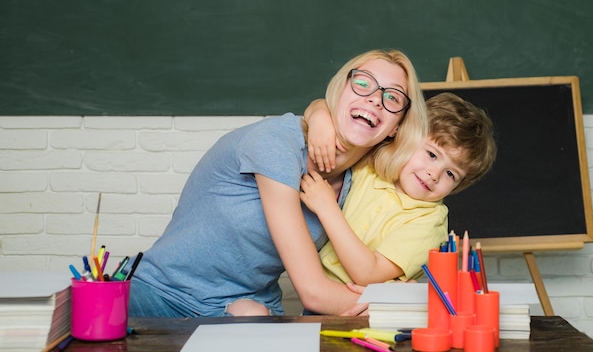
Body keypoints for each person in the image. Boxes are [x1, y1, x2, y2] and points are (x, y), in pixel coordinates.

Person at [127, 49, 429, 318]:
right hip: (161, 295)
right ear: (338, 92)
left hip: (246, 306)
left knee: (255, 317)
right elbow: (313, 292)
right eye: (363, 83)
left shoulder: (360, 181)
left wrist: (399, 289)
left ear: (395, 128)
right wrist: (400, 303)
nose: (375, 98)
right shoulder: (276, 142)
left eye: (392, 97)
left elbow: (382, 246)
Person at [300, 92, 497, 285]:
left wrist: (327, 209)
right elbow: (319, 105)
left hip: (366, 313)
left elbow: (368, 274)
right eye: (431, 154)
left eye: (450, 174)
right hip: (316, 293)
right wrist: (319, 120)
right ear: (408, 137)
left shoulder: (429, 224)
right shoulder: (372, 161)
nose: (434, 174)